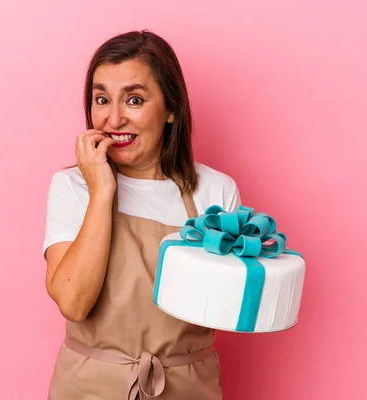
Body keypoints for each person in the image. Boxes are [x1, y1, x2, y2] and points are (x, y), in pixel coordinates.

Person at [43, 30, 241, 400]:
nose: (113, 119)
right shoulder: (72, 187)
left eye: (134, 100)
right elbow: (73, 302)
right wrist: (102, 190)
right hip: (88, 388)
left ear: (170, 110)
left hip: (188, 388)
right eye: (102, 99)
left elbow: (223, 308)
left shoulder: (215, 192)